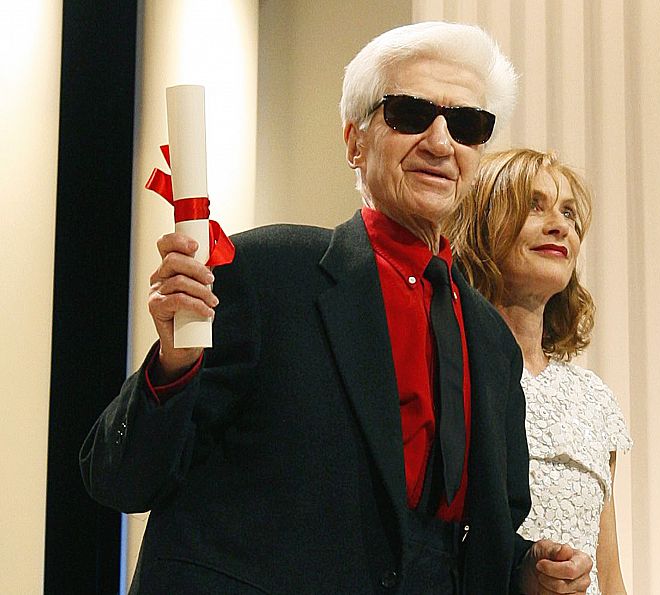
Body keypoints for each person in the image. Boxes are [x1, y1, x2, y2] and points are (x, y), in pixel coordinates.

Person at [80, 23, 592, 594]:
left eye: (467, 125)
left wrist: (528, 571)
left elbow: (463, 538)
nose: (442, 143)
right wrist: (173, 367)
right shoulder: (267, 272)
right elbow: (119, 479)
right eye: (409, 114)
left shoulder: (491, 344)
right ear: (355, 141)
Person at [446, 148, 632, 595]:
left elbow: (609, 570)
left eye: (569, 212)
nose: (559, 225)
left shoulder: (593, 397)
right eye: (535, 205)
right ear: (482, 225)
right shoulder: (451, 368)